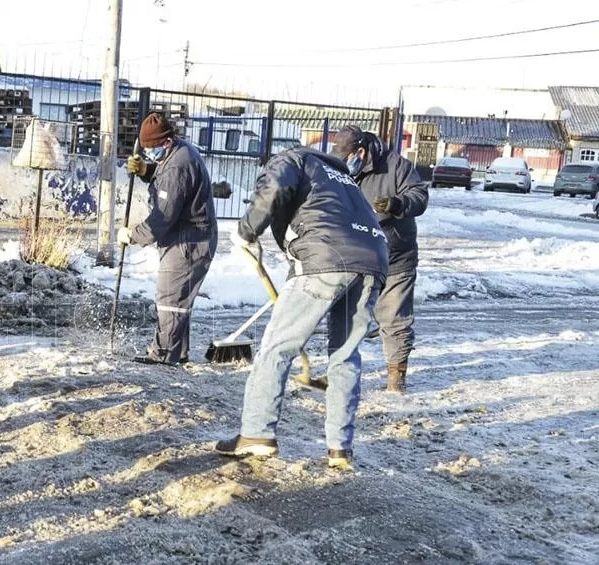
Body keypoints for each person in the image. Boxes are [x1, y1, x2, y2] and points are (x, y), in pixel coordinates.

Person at [216, 146, 388, 471]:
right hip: (374, 258)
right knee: (345, 355)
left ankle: (256, 434)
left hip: (324, 258)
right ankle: (340, 449)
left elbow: (276, 187)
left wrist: (246, 230)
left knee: (277, 347)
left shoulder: (291, 158)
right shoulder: (344, 178)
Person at [116, 111, 218, 366]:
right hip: (188, 236)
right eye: (147, 151)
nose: (151, 154)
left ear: (167, 142)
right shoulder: (178, 152)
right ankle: (177, 352)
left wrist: (132, 235)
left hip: (190, 241)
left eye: (153, 151)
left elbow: (162, 219)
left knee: (170, 297)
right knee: (178, 297)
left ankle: (164, 355)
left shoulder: (178, 165)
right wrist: (146, 170)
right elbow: (166, 180)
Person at [332, 126, 428, 393]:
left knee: (394, 317)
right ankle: (340, 373)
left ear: (360, 152)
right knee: (348, 317)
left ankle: (396, 379)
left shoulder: (397, 166)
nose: (343, 163)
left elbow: (420, 197)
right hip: (357, 255)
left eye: (347, 156)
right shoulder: (338, 170)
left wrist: (397, 204)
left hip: (396, 254)